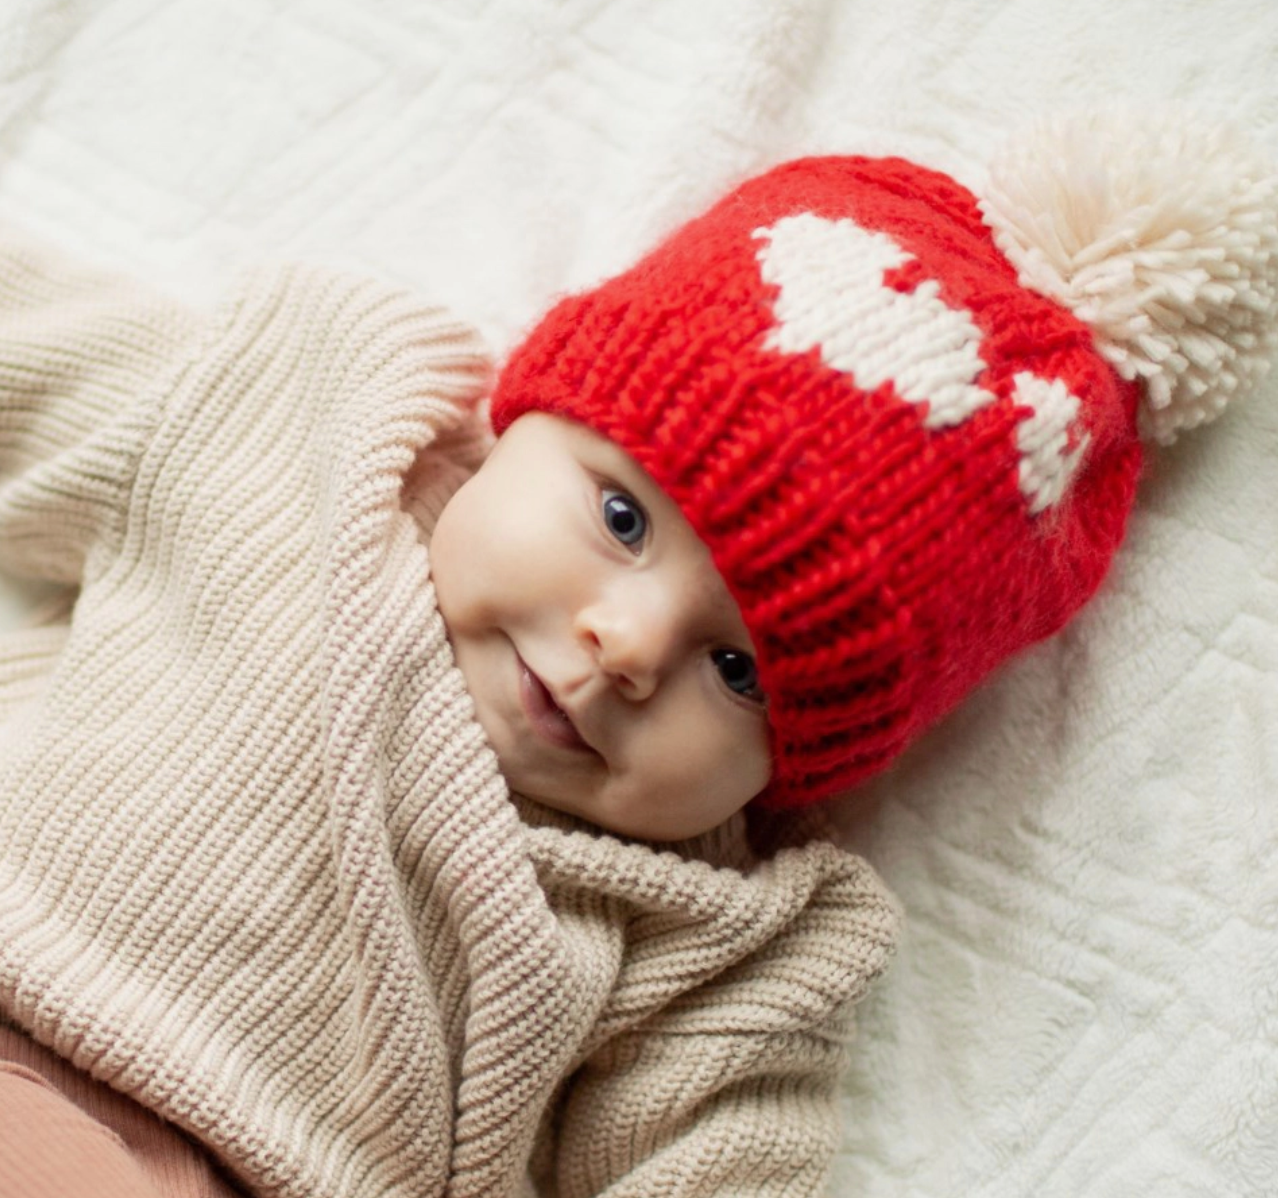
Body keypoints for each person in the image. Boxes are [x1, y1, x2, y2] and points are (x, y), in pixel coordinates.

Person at [0, 112, 1274, 1198]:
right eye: (621, 518)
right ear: (528, 416)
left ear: (798, 765)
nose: (629, 646)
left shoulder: (714, 940)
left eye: (741, 675)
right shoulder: (298, 439)